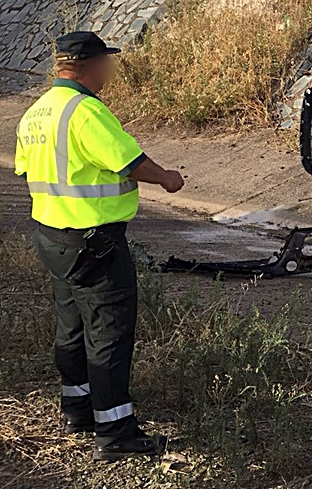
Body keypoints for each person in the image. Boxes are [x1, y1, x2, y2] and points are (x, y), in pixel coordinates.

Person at [14, 31, 185, 461]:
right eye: (107, 62)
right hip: (94, 244)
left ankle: (78, 408)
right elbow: (128, 161)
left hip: (52, 238)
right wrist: (166, 176)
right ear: (89, 65)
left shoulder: (35, 112)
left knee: (71, 327)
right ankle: (115, 431)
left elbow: (25, 170)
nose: (110, 70)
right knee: (108, 334)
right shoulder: (86, 111)